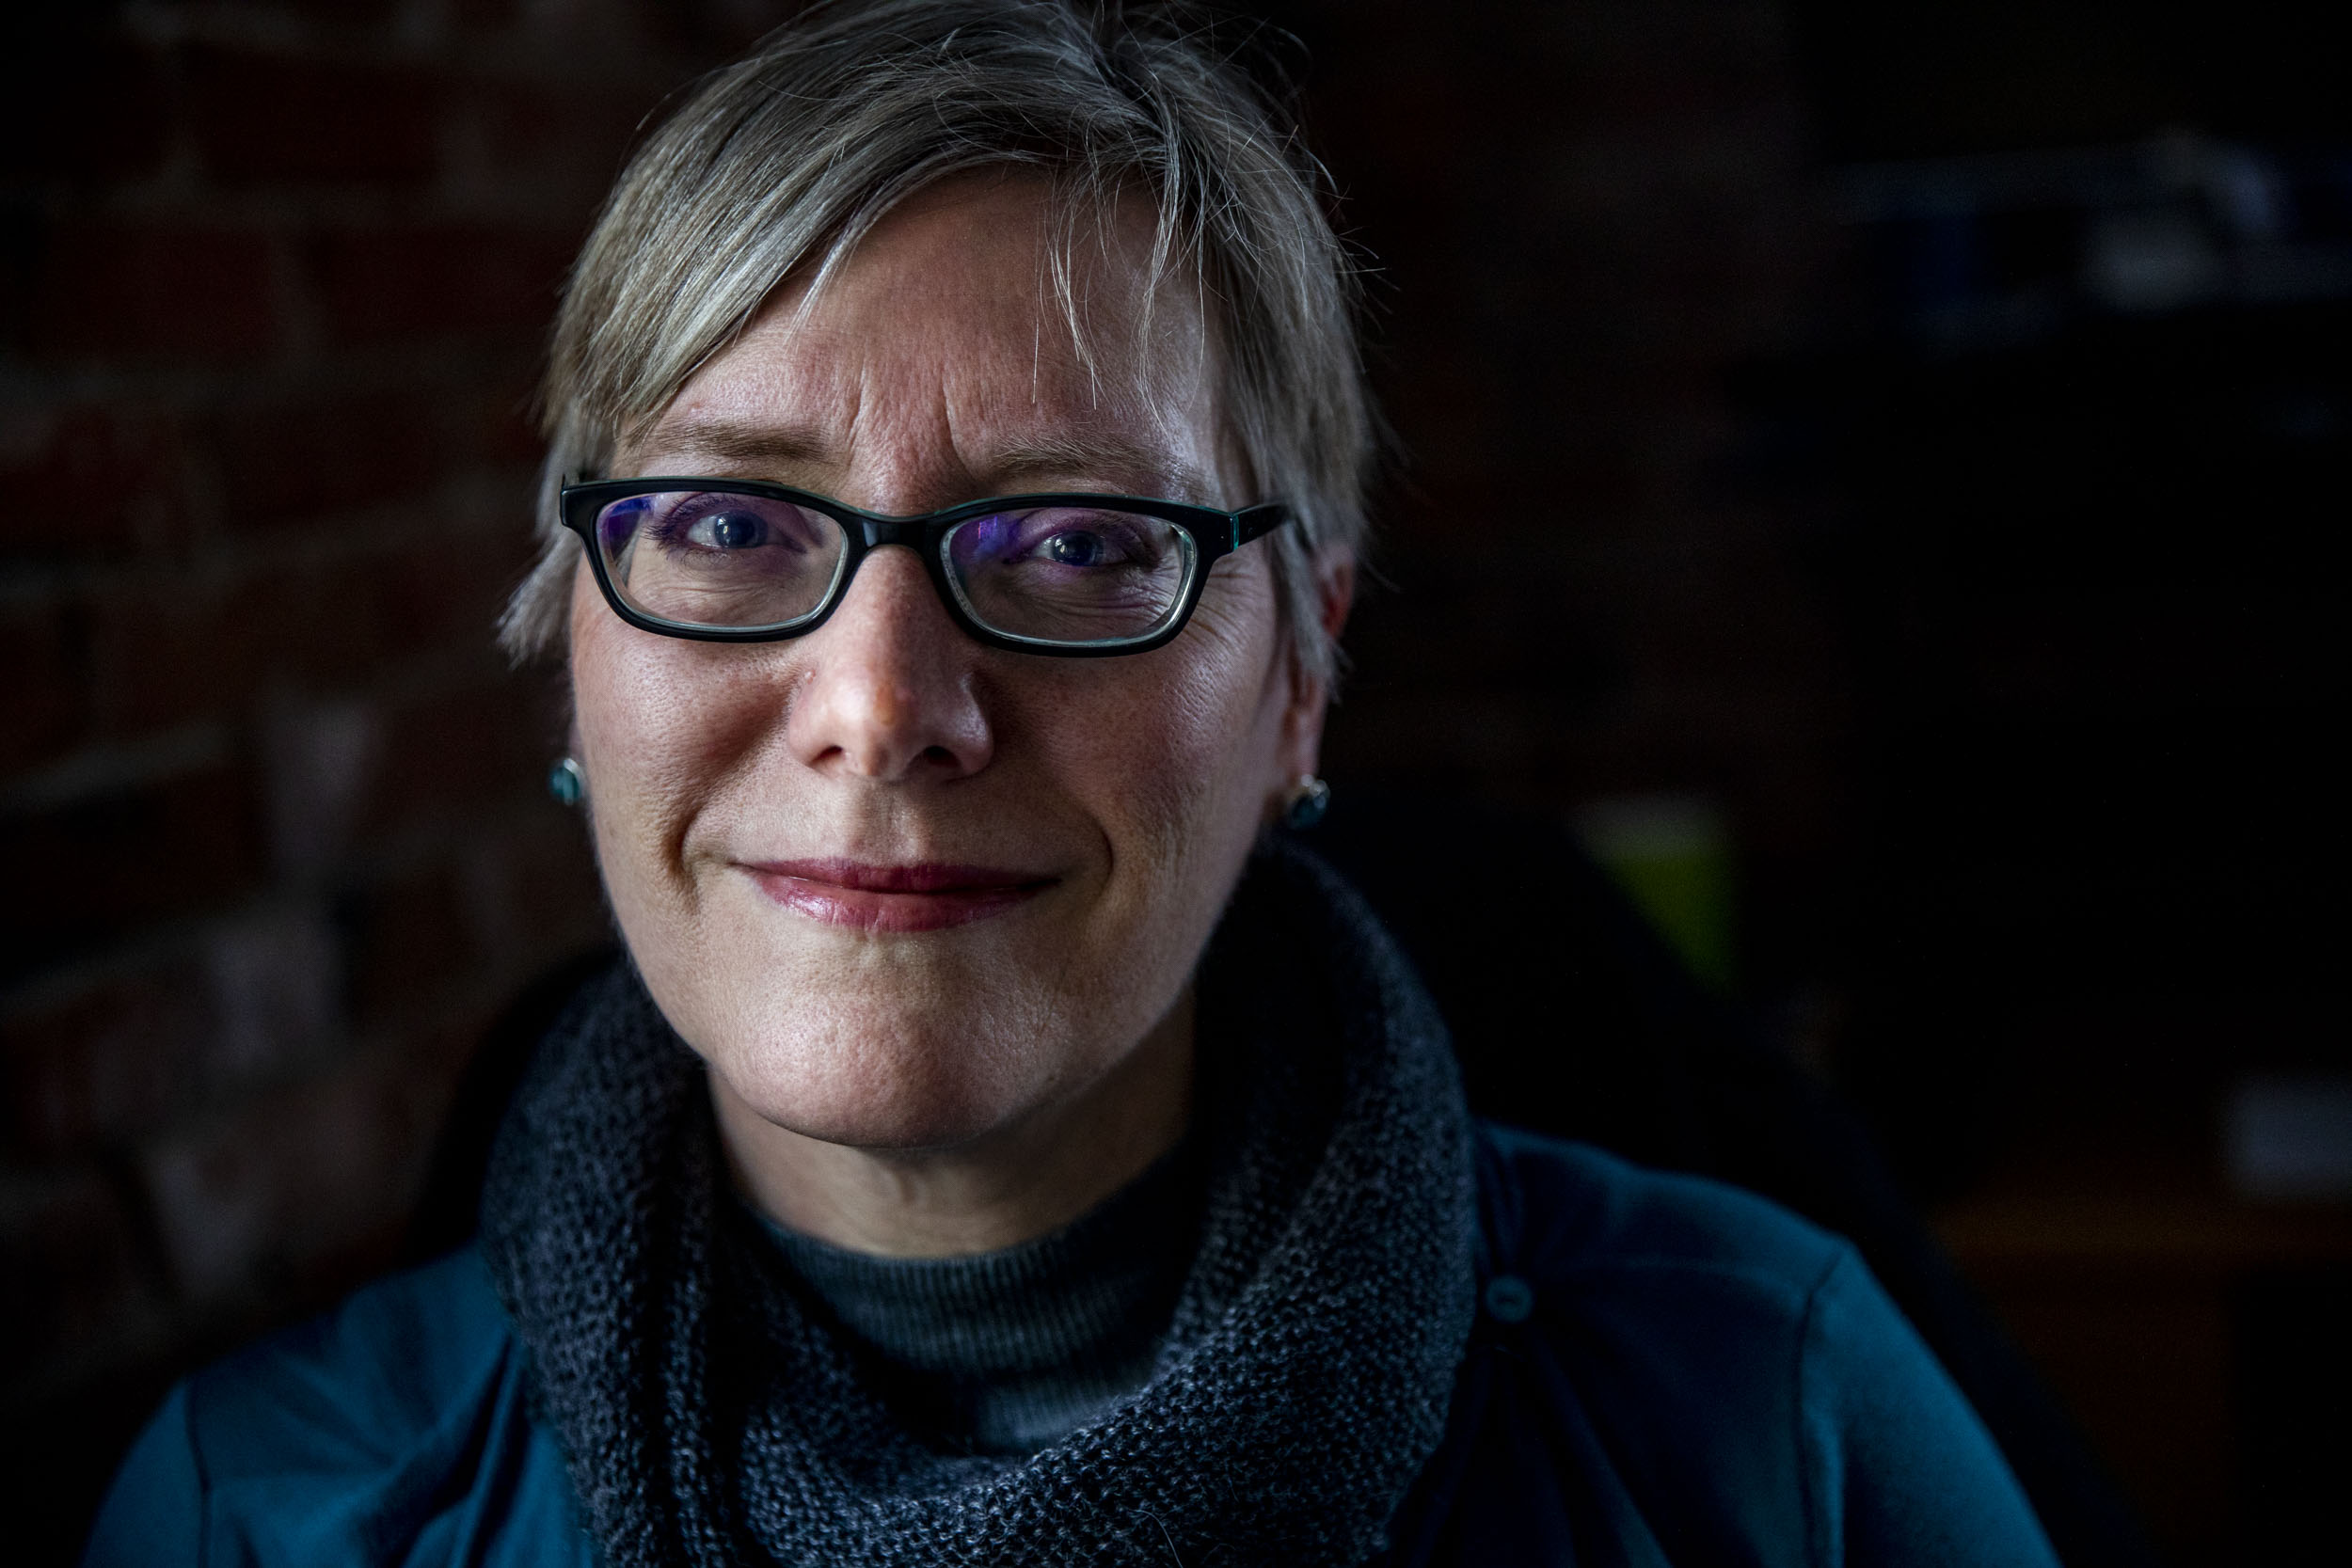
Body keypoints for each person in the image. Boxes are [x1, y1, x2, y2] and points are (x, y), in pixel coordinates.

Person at [85, 3, 2062, 1564]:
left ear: (1299, 677)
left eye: (1075, 548)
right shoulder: (260, 1513)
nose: (879, 707)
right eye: (723, 525)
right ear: (574, 651)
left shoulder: (1761, 1414)